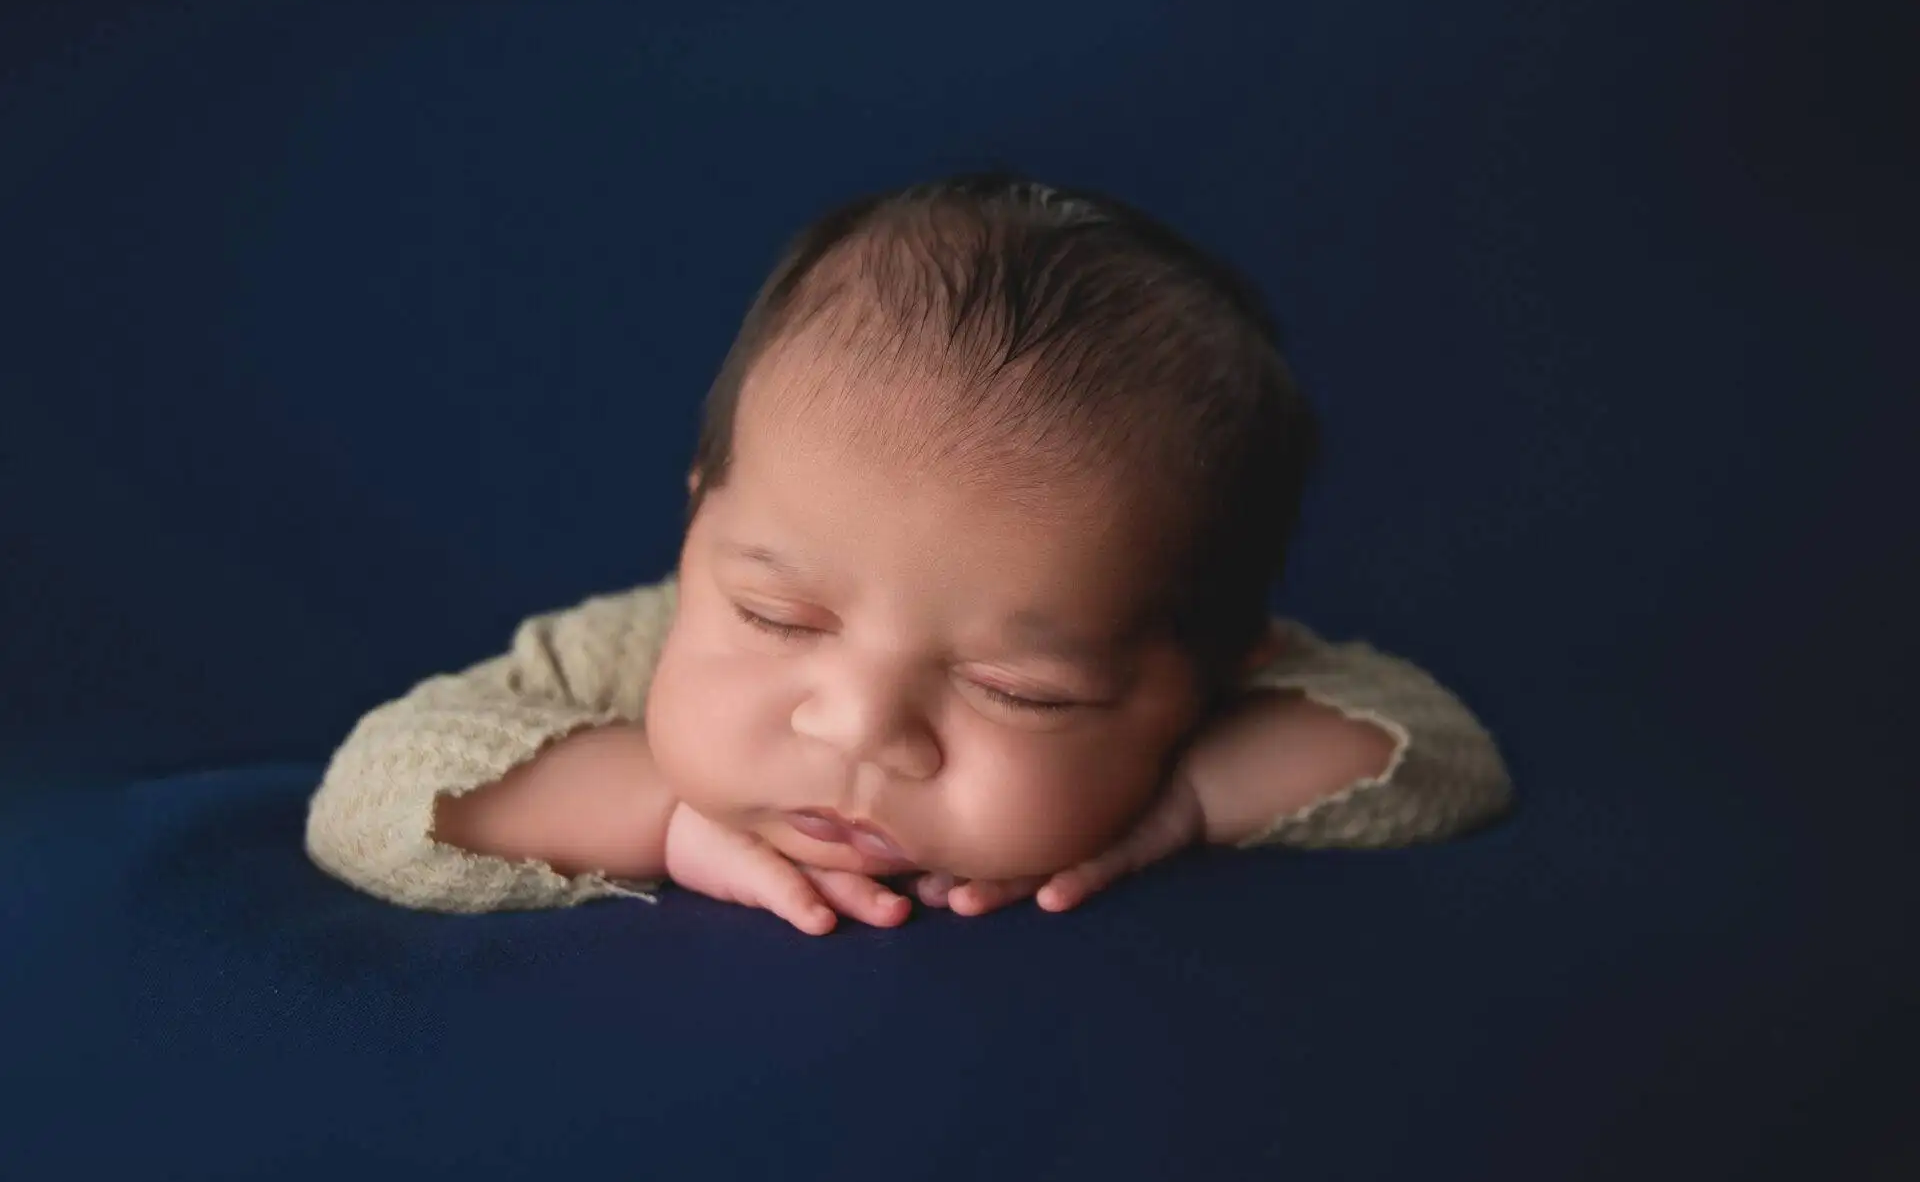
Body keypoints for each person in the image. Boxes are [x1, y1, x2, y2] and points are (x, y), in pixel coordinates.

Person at [304, 172, 1515, 932]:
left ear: (1203, 670)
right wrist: (662, 812)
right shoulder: (630, 649)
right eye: (779, 618)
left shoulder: (1199, 709)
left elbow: (1443, 758)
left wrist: (1190, 799)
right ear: (698, 532)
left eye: (1018, 691)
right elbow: (370, 797)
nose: (861, 729)